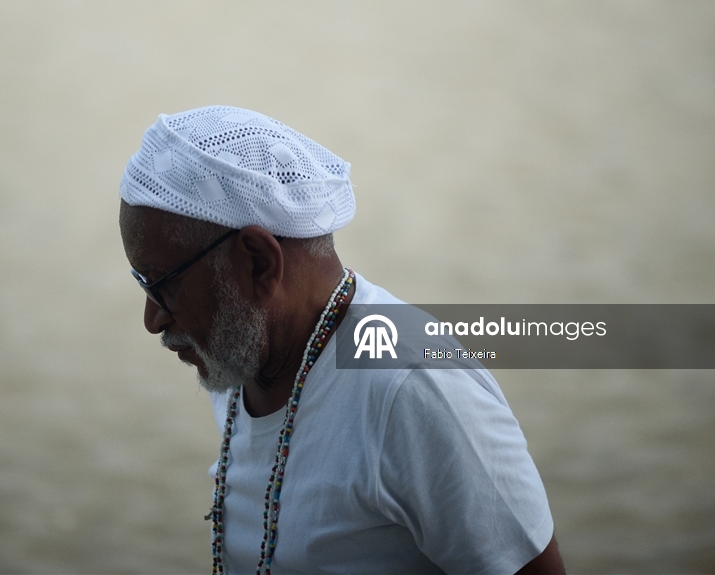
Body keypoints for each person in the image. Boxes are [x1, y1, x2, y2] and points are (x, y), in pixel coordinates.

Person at [118, 106, 565, 575]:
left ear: (259, 263)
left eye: (163, 284)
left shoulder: (416, 389)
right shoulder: (243, 347)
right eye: (142, 283)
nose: (153, 319)